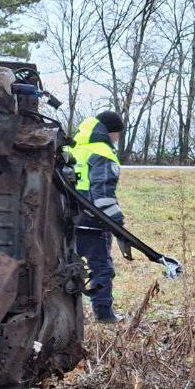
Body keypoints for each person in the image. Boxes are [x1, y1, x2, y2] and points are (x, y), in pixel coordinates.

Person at [68, 109, 131, 323]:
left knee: (68, 267)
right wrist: (118, 224)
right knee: (101, 268)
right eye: (118, 134)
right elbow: (103, 195)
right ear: (110, 132)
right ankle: (104, 315)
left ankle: (72, 315)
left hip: (68, 221)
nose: (118, 138)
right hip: (94, 223)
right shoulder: (103, 152)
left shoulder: (74, 149)